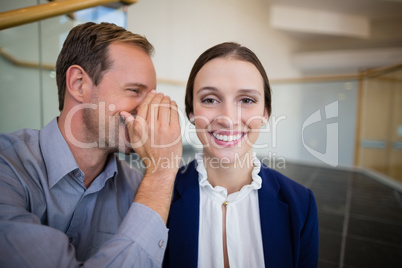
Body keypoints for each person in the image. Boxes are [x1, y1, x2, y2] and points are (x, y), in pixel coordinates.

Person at [0, 22, 182, 267]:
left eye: (151, 97)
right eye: (134, 90)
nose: (149, 112)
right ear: (78, 84)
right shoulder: (7, 166)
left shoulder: (139, 188)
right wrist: (161, 173)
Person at [163, 42, 319, 268]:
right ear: (191, 112)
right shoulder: (158, 199)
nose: (227, 118)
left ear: (265, 113)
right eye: (210, 99)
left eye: (246, 100)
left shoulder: (301, 203)